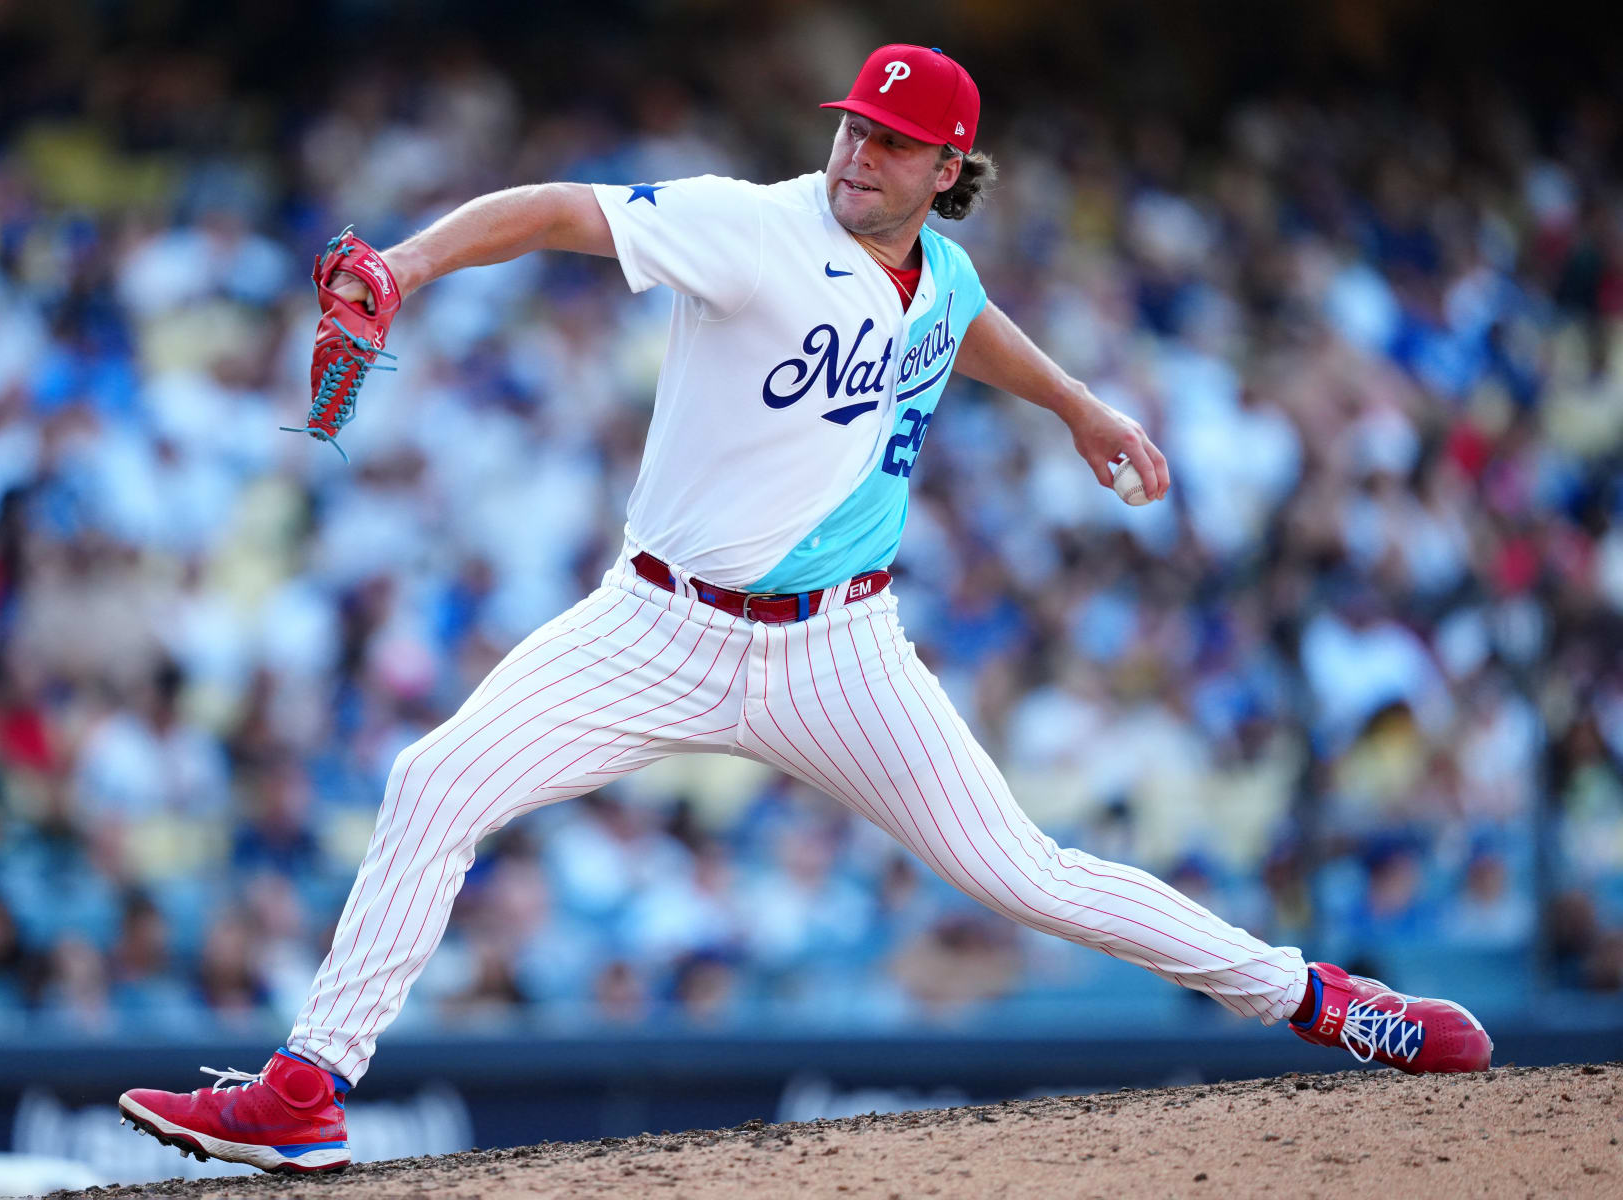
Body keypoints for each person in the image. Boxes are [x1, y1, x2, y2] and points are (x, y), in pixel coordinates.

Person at [118, 45, 1490, 1175]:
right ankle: (306, 1089)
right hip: (652, 630)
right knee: (432, 783)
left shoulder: (935, 269)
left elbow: (963, 312)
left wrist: (1077, 405)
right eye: (853, 128)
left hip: (842, 649)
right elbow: (555, 209)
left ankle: (1319, 1000)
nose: (857, 154)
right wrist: (406, 268)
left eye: (892, 142)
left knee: (1028, 875)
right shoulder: (754, 223)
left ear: (948, 170)